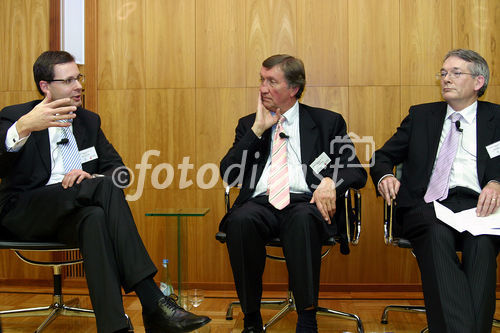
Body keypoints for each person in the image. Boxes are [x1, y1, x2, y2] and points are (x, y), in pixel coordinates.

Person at [0, 51, 211, 333]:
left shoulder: (89, 121)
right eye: (69, 80)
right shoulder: (15, 116)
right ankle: (153, 301)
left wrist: (92, 176)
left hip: (71, 214)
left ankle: (114, 327)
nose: (78, 86)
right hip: (23, 212)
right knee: (100, 191)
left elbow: (120, 172)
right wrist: (24, 127)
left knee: (96, 218)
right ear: (45, 86)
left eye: (79, 78)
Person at [219, 54, 367, 333]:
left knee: (302, 220)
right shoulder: (248, 124)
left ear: (294, 88)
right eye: (261, 80)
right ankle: (251, 318)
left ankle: (307, 320)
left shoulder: (327, 122)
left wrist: (330, 183)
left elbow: (356, 171)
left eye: (271, 81)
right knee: (240, 221)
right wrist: (257, 131)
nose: (263, 88)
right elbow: (229, 174)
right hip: (260, 203)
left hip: (304, 201)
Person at [370, 49, 500, 333]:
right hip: (428, 204)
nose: (446, 79)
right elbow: (382, 157)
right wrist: (384, 177)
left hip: (479, 206)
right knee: (436, 233)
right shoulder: (421, 115)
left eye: (455, 73)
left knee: (482, 246)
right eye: (443, 73)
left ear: (478, 82)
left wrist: (496, 182)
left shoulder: (496, 117)